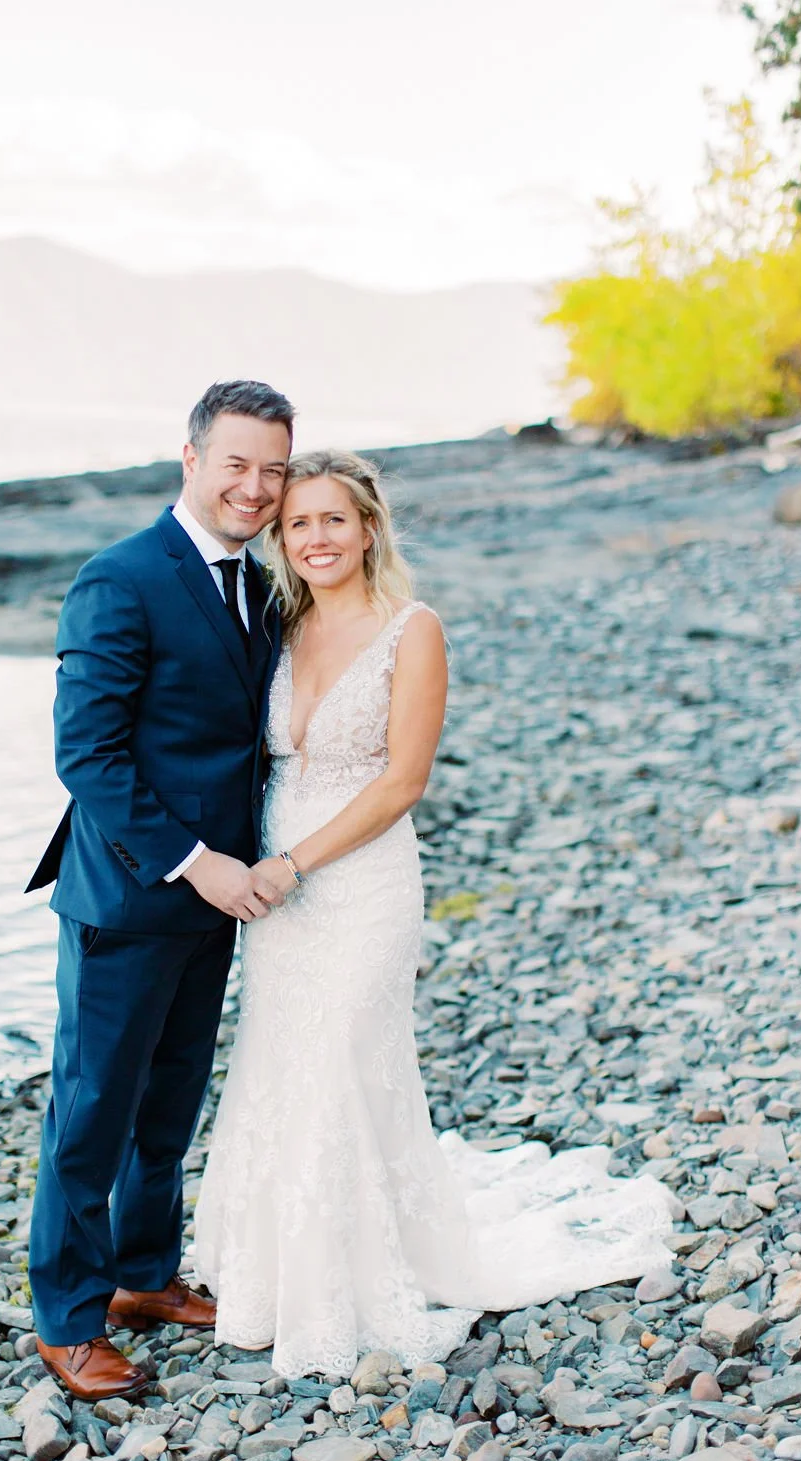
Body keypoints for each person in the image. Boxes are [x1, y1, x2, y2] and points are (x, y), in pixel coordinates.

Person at [193, 449, 674, 1379]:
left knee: (339, 1055)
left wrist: (294, 864)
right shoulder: (276, 626)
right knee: (279, 1059)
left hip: (358, 879)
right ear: (280, 540)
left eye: (333, 519)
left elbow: (404, 780)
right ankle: (272, 1276)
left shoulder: (412, 630)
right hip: (275, 889)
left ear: (368, 527)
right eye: (298, 523)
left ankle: (354, 1287)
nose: (316, 538)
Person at [24, 379, 294, 1399]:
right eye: (236, 464)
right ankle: (68, 1317)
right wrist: (193, 861)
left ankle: (143, 1276)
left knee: (167, 1105)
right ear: (190, 460)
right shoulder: (120, 578)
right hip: (132, 896)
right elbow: (85, 754)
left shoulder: (260, 586)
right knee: (90, 1110)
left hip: (220, 900)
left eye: (272, 469)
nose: (255, 487)